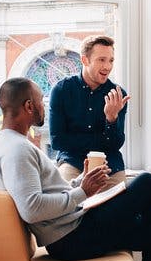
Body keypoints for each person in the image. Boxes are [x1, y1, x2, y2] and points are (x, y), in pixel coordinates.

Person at [0, 77, 151, 261]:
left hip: (71, 229)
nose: (44, 105)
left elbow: (45, 194)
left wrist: (82, 180)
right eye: (41, 99)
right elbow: (32, 209)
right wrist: (83, 191)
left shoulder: (11, 143)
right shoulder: (18, 150)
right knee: (149, 182)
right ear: (29, 106)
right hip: (70, 238)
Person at [50, 35, 130, 188]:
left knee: (118, 203)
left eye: (111, 60)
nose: (107, 66)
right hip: (72, 162)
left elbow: (116, 144)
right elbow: (57, 140)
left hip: (109, 165)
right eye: (101, 60)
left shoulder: (118, 95)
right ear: (85, 60)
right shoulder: (61, 91)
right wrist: (99, 142)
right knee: (65, 198)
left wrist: (111, 119)